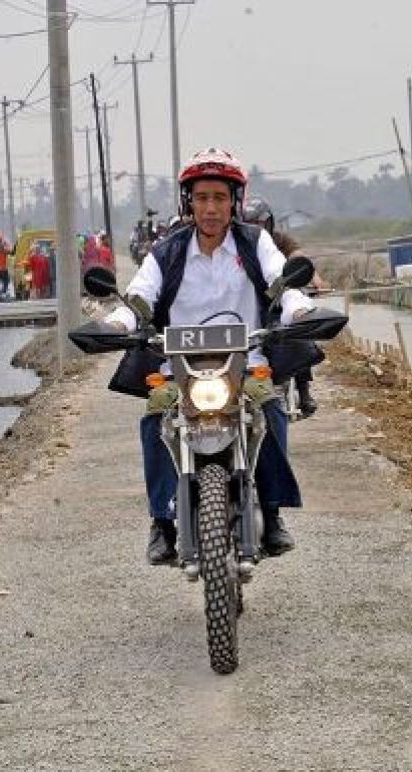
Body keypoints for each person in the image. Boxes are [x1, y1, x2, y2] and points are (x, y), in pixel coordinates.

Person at [103, 147, 314, 565]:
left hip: (247, 363)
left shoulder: (256, 243)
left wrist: (301, 309)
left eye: (219, 197)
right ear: (188, 202)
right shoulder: (167, 252)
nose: (211, 208)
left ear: (234, 202)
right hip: (178, 369)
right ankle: (162, 522)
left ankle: (271, 514)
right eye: (202, 198)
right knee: (155, 418)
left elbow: (281, 283)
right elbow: (140, 297)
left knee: (269, 408)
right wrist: (117, 324)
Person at [242, 195, 322, 418]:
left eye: (258, 224)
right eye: (249, 224)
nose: (255, 229)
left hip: (277, 302)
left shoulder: (278, 241)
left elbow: (298, 257)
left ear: (268, 222)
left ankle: (304, 391)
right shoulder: (236, 243)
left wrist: (315, 278)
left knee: (299, 333)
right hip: (247, 306)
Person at [0, 235, 12, 301]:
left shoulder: (4, 250)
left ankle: (3, 293)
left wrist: (4, 246)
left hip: (4, 269)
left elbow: (10, 252)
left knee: (6, 282)